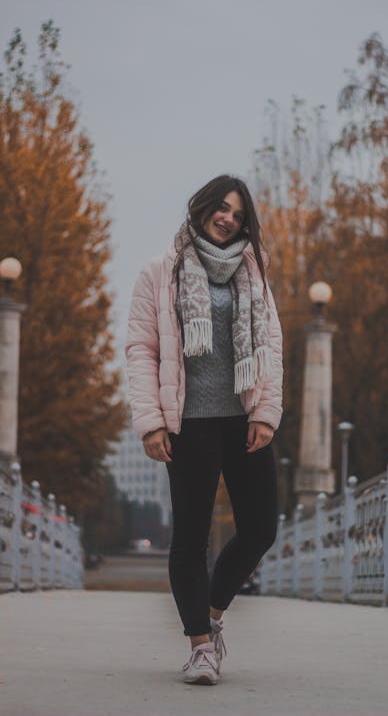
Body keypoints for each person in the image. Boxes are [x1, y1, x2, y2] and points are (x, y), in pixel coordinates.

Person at [125, 174, 283, 685]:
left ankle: (210, 617)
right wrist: (151, 423)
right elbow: (141, 350)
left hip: (243, 419)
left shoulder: (254, 274)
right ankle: (199, 647)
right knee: (190, 537)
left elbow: (272, 348)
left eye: (238, 214)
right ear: (202, 207)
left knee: (261, 527)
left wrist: (265, 413)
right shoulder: (161, 272)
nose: (228, 219)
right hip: (188, 422)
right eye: (222, 208)